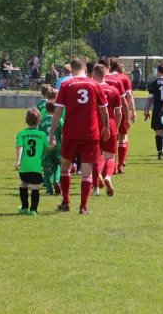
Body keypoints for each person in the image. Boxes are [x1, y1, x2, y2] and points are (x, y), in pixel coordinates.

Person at [50, 58, 109, 215]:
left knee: (65, 166)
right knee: (87, 170)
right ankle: (83, 207)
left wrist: (51, 133)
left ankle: (65, 201)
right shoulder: (95, 84)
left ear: (72, 69)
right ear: (86, 70)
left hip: (70, 133)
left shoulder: (65, 85)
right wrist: (107, 128)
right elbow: (104, 111)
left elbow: (57, 112)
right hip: (90, 133)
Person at [92, 64, 122, 197]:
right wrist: (116, 125)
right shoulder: (114, 90)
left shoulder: (92, 88)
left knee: (95, 157)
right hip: (110, 124)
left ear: (94, 75)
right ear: (105, 75)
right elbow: (119, 112)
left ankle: (95, 189)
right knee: (110, 156)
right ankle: (108, 177)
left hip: (95, 125)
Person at [15, 108, 52, 216]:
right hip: (35, 166)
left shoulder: (21, 134)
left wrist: (18, 161)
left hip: (24, 166)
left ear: (26, 120)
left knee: (24, 184)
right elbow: (48, 147)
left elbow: (19, 147)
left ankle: (24, 207)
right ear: (39, 120)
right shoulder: (42, 135)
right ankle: (33, 210)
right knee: (35, 186)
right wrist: (53, 144)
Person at [109, 60, 136, 173]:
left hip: (109, 110)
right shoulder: (124, 78)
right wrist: (132, 112)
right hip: (121, 109)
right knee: (123, 137)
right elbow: (129, 96)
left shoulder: (105, 77)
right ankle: (120, 165)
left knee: (110, 139)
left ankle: (112, 165)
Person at [145, 63, 163, 160]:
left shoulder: (154, 82)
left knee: (158, 131)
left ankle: (160, 152)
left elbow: (150, 98)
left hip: (158, 109)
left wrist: (147, 110)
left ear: (158, 71)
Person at [37, 101, 63, 195]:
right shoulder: (59, 120)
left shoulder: (42, 121)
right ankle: (56, 180)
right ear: (55, 108)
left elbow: (39, 135)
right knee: (57, 165)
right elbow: (63, 134)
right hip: (57, 147)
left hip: (46, 147)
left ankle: (49, 190)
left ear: (45, 109)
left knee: (46, 168)